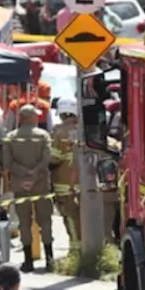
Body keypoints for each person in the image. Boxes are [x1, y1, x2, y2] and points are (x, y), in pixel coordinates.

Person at [3, 105, 54, 273]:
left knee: (24, 222)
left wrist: (24, 173)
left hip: (19, 183)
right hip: (40, 183)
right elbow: (47, 158)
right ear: (31, 117)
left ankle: (28, 261)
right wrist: (34, 173)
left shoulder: (10, 137)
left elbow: (7, 162)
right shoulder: (43, 135)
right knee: (45, 220)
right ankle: (49, 260)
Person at [49, 98, 81, 246]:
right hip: (84, 183)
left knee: (70, 219)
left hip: (64, 184)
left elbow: (54, 158)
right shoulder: (83, 129)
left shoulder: (59, 132)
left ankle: (75, 252)